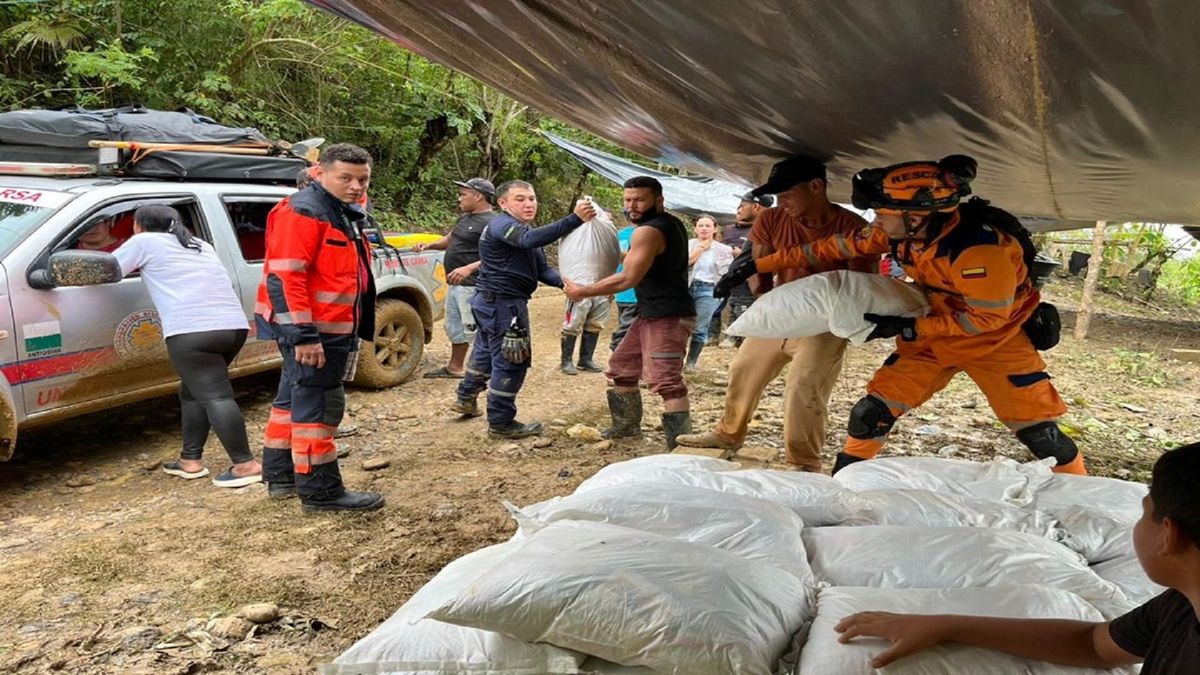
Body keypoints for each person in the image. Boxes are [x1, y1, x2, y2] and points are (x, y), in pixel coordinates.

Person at [716, 154, 1086, 475]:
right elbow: (832, 247)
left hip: (995, 343)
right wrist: (758, 264)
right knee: (869, 414)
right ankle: (846, 483)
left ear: (917, 215)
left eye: (882, 214)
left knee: (1039, 432)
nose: (876, 221)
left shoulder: (980, 252)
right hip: (932, 334)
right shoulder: (901, 233)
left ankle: (1082, 489)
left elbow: (986, 320)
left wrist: (908, 325)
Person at [835, 441, 1200, 674]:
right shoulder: (1182, 605)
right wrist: (945, 625)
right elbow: (1094, 644)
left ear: (1169, 535)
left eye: (1143, 512)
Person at [676, 155, 875, 471]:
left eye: (787, 193)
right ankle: (728, 434)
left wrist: (844, 327)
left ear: (816, 186)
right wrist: (766, 303)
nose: (782, 202)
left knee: (804, 386)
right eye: (778, 195)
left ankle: (804, 461)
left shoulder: (853, 227)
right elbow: (759, 268)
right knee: (743, 368)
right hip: (779, 312)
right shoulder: (771, 219)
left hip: (824, 322)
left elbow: (862, 284)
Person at [255, 143, 384, 512]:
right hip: (315, 330)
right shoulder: (305, 211)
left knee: (291, 399)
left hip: (323, 326)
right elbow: (285, 277)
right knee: (320, 406)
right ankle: (321, 491)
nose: (356, 186)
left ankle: (281, 476)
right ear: (321, 173)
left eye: (363, 179)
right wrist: (304, 337)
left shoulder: (338, 210)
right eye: (346, 177)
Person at [113, 205, 261, 488]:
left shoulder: (144, 241)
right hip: (232, 328)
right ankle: (189, 460)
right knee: (193, 392)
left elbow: (110, 269)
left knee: (215, 396)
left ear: (139, 225)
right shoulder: (198, 244)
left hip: (192, 331)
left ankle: (246, 465)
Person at [453, 181, 596, 438]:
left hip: (493, 303)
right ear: (503, 203)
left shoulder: (520, 230)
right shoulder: (502, 225)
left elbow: (541, 269)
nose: (529, 204)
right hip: (503, 305)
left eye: (532, 198)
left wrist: (567, 284)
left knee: (486, 352)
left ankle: (466, 397)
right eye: (520, 199)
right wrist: (574, 219)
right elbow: (528, 239)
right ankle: (501, 422)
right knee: (511, 360)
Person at [563, 176, 696, 450]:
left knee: (666, 381)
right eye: (628, 200)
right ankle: (625, 427)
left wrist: (583, 291)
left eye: (640, 200)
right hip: (649, 313)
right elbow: (640, 260)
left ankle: (680, 443)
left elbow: (627, 279)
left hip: (668, 315)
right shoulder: (669, 224)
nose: (632, 206)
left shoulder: (648, 231)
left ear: (659, 201)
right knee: (621, 369)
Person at [414, 177, 497, 378]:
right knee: (455, 327)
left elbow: (499, 257)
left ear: (478, 196)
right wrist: (429, 245)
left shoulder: (493, 223)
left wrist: (469, 268)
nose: (459, 199)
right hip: (454, 284)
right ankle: (455, 367)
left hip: (474, 286)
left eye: (463, 194)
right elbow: (450, 239)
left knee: (474, 330)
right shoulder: (465, 218)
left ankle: (485, 372)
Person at [710, 191, 772, 349]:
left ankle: (748, 342)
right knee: (738, 306)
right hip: (751, 282)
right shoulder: (758, 229)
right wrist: (728, 280)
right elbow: (743, 259)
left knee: (745, 308)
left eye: (743, 206)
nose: (739, 210)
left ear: (756, 206)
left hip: (772, 286)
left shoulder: (774, 228)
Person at [559, 206, 615, 375]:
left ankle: (585, 359)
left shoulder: (608, 239)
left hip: (603, 288)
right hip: (579, 287)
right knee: (573, 323)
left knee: (596, 323)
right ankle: (566, 361)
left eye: (608, 220)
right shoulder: (577, 234)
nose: (605, 222)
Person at [684, 214, 733, 372]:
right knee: (680, 326)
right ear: (695, 228)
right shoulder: (688, 245)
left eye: (707, 226)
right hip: (687, 287)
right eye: (701, 225)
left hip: (708, 288)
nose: (704, 229)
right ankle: (675, 361)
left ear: (714, 229)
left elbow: (726, 272)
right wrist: (701, 248)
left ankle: (691, 362)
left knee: (700, 326)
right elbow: (684, 262)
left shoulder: (723, 249)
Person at [609, 218, 639, 352]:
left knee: (628, 326)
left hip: (624, 289)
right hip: (630, 290)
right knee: (627, 328)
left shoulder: (619, 235)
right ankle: (616, 355)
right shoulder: (620, 235)